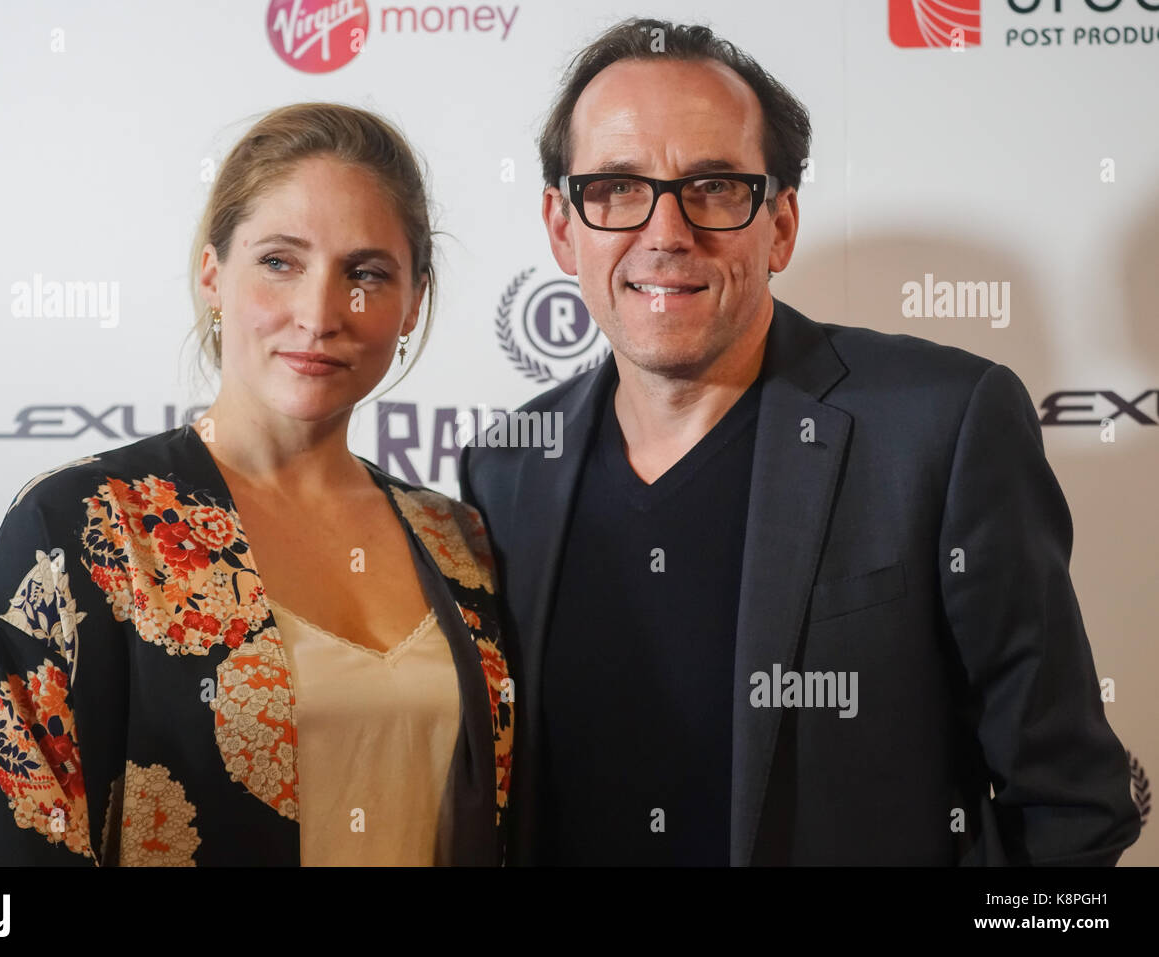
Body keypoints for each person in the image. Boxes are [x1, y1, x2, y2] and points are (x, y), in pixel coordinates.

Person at [459, 18, 1138, 865]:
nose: (666, 233)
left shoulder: (941, 426)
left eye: (712, 186)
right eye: (616, 188)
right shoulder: (506, 468)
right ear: (564, 228)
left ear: (779, 225)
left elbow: (1072, 806)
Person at [0, 103, 512, 866]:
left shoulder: (458, 542)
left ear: (412, 300)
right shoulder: (86, 524)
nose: (318, 314)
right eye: (280, 261)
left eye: (366, 273)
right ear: (214, 274)